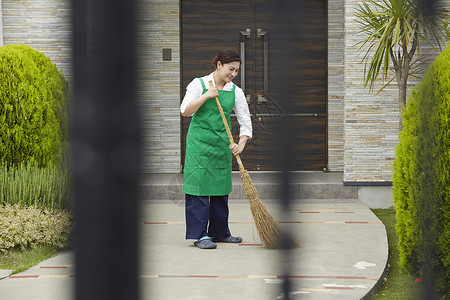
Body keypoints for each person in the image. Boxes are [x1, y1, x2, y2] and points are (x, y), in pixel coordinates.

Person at [180, 49, 252, 249]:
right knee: (199, 189)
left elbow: (246, 122)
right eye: (231, 69)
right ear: (219, 64)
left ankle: (220, 233)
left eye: (237, 71)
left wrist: (241, 144)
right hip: (199, 147)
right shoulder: (199, 84)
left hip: (221, 146)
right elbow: (185, 110)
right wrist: (206, 96)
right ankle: (200, 235)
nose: (233, 74)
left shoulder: (235, 91)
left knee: (220, 191)